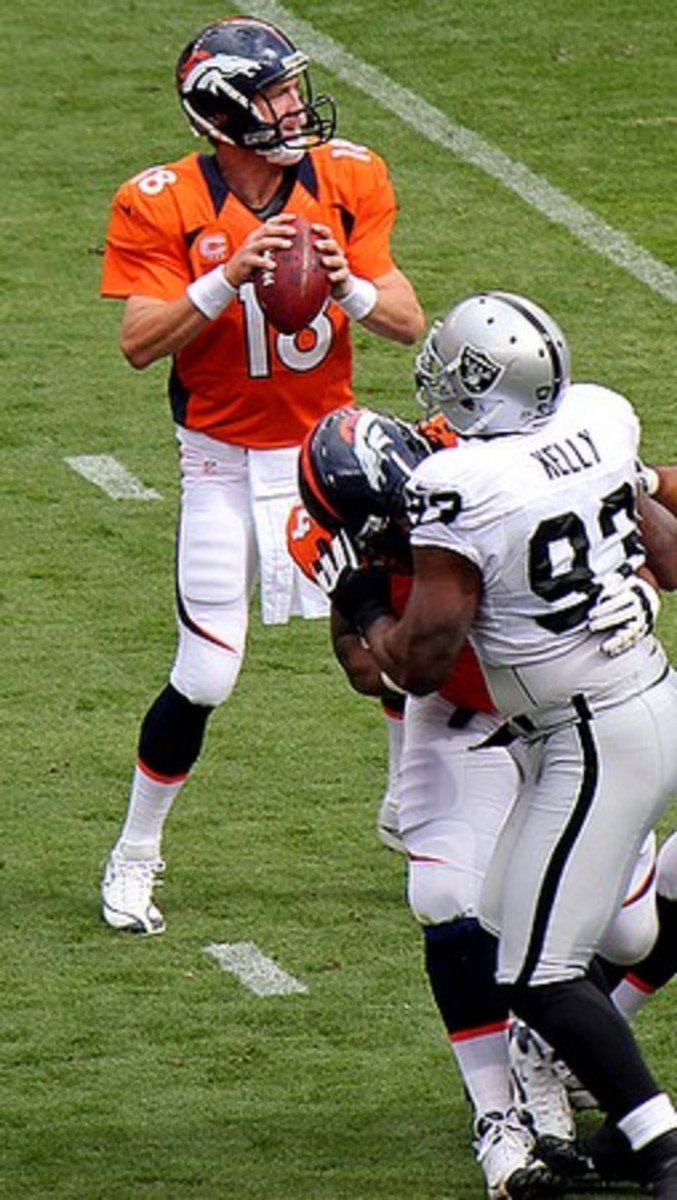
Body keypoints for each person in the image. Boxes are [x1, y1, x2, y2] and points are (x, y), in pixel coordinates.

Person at [299, 296, 677, 1199]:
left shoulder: (455, 486)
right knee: (502, 927)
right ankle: (570, 1108)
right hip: (619, 694)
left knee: (541, 974)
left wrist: (361, 602)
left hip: (588, 727)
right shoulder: (595, 417)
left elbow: (421, 661)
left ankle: (658, 1146)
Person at [97, 14, 425, 934]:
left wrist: (347, 284)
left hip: (332, 455)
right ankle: (134, 855)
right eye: (275, 92)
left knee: (395, 648)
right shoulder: (160, 199)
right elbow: (136, 344)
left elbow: (404, 317)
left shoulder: (348, 176)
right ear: (223, 111)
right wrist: (226, 277)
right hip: (220, 459)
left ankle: (412, 812)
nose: (293, 106)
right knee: (204, 675)